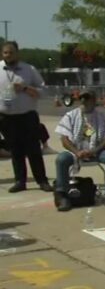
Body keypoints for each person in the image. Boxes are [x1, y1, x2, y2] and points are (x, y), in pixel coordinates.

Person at [53, 90, 105, 211]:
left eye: (87, 98)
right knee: (61, 159)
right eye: (82, 98)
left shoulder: (101, 117)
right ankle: (62, 196)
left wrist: (94, 151)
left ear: (94, 101)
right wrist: (77, 152)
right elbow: (64, 139)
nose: (83, 101)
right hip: (75, 151)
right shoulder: (70, 116)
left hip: (96, 151)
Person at [0, 41, 52, 193]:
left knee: (33, 150)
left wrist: (24, 88)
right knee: (15, 151)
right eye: (5, 53)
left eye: (11, 52)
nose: (8, 55)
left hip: (27, 117)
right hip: (6, 118)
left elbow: (44, 91)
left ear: (17, 53)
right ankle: (20, 181)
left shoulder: (29, 69)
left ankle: (42, 181)